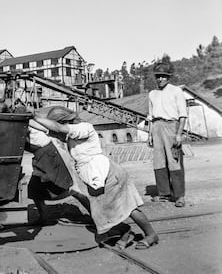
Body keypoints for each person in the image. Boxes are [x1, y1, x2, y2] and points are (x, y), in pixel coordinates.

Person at [33, 106, 159, 249]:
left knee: (127, 208)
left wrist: (36, 117)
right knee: (101, 212)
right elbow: (47, 129)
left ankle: (150, 234)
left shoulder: (83, 128)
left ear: (64, 121)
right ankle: (125, 232)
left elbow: (58, 128)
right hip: (95, 176)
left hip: (109, 173)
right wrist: (28, 119)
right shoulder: (68, 132)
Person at [25, 118, 92, 225]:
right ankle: (44, 218)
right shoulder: (20, 125)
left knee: (72, 189)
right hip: (41, 157)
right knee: (34, 188)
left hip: (52, 155)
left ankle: (95, 217)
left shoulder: (28, 123)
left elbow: (44, 130)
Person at [147, 57, 187, 207]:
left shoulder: (176, 91)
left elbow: (182, 115)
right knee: (158, 161)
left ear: (169, 77)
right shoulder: (152, 94)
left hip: (171, 126)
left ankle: (179, 196)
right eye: (158, 76)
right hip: (156, 127)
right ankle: (164, 193)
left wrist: (178, 134)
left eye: (163, 76)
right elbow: (150, 116)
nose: (160, 79)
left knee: (174, 161)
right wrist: (150, 134)